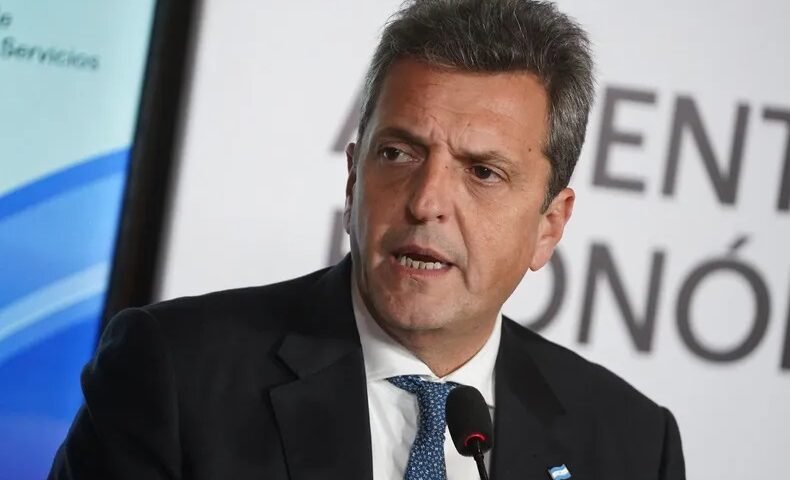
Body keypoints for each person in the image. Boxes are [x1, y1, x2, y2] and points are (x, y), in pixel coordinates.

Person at [49, 1, 685, 479]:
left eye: (482, 172)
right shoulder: (173, 375)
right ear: (353, 179)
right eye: (399, 153)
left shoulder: (631, 445)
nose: (426, 202)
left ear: (549, 225)